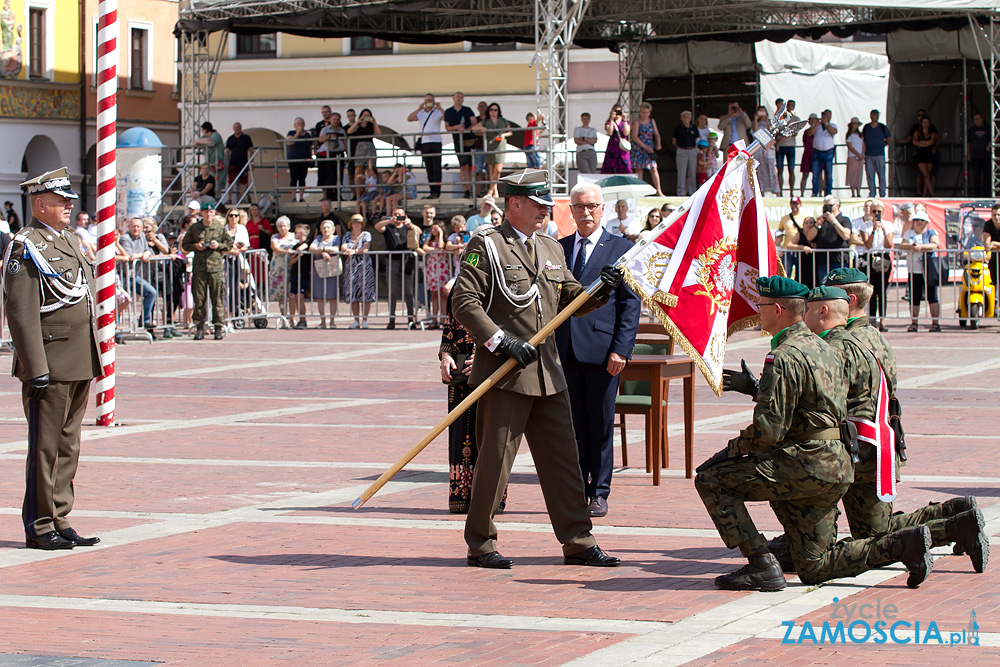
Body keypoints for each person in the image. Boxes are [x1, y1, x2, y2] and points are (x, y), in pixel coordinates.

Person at [704, 277, 934, 591]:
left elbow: (769, 431)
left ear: (779, 309)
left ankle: (760, 564)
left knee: (712, 480)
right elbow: (812, 404)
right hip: (837, 464)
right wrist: (759, 392)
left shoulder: (785, 354)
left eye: (761, 306)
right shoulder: (823, 346)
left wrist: (729, 452)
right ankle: (901, 545)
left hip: (807, 464)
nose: (758, 311)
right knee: (813, 565)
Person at [452, 168, 624, 569]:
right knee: (495, 463)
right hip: (506, 373)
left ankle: (579, 540)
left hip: (548, 372)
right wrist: (500, 341)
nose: (546, 211)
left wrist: (602, 289)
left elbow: (571, 299)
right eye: (538, 205)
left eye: (548, 205)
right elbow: (465, 301)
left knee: (564, 462)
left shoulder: (551, 248)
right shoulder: (487, 245)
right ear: (514, 204)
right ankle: (481, 543)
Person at [823, 268, 987, 572]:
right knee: (877, 527)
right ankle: (956, 514)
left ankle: (952, 528)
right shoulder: (874, 335)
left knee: (875, 536)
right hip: (881, 440)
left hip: (859, 445)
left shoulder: (845, 342)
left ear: (849, 299)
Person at [2, 167, 102, 550]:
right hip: (50, 361)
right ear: (39, 204)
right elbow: (21, 311)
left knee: (68, 445)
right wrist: (35, 367)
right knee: (45, 447)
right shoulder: (25, 245)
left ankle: (60, 517)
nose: (68, 206)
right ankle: (39, 525)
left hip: (78, 358)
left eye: (69, 201)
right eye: (61, 202)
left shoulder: (70, 240)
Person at [556, 182, 640, 518]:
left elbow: (629, 305)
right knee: (573, 424)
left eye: (591, 206)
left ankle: (599, 491)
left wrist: (621, 349)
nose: (586, 212)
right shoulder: (558, 248)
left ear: (602, 209)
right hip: (565, 351)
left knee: (601, 423)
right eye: (579, 207)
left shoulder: (620, 248)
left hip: (604, 351)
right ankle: (578, 487)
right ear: (571, 211)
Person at [438, 280, 505, 513]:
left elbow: (506, 325)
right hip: (460, 370)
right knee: (459, 432)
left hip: (490, 368)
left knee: (489, 434)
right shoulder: (458, 288)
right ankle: (461, 495)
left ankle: (490, 498)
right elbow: (449, 325)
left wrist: (485, 357)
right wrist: (445, 356)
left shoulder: (498, 285)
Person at [182, 208, 233, 340]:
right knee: (199, 298)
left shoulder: (219, 228)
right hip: (200, 268)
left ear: (214, 213)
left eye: (211, 212)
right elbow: (185, 245)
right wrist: (196, 246)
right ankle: (199, 327)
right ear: (202, 214)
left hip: (215, 268)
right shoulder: (195, 228)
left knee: (217, 298)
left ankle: (218, 327)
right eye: (206, 212)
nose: (208, 214)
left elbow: (229, 244)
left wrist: (218, 246)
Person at [851, 201, 893, 331]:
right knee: (872, 291)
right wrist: (874, 230)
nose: (877, 214)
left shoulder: (888, 225)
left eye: (879, 212)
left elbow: (888, 244)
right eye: (874, 211)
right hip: (870, 257)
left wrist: (884, 231)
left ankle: (883, 320)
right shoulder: (865, 226)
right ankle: (873, 319)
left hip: (883, 258)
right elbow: (867, 245)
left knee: (882, 291)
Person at [375, 208, 419, 329]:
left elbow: (418, 232)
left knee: (409, 292)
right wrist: (389, 220)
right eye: (396, 214)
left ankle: (411, 319)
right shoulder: (388, 227)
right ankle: (392, 319)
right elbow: (377, 227)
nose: (398, 217)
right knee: (392, 292)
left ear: (405, 216)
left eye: (400, 215)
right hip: (392, 261)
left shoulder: (408, 227)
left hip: (406, 261)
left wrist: (410, 224)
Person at [898, 210, 941, 332]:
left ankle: (935, 323)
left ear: (926, 222)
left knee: (932, 296)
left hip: (928, 269)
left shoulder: (931, 232)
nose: (918, 222)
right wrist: (912, 247)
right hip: (914, 270)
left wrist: (921, 247)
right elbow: (902, 245)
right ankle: (914, 322)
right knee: (914, 297)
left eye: (921, 220)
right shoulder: (909, 233)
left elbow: (935, 244)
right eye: (916, 220)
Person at [119, 216, 158, 335]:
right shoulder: (125, 238)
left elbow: (148, 252)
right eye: (133, 226)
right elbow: (130, 256)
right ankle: (116, 330)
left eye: (138, 226)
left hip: (134, 276)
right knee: (120, 301)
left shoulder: (142, 237)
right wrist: (142, 254)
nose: (136, 229)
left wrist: (145, 253)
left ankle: (145, 320)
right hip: (122, 276)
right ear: (129, 227)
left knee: (151, 292)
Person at [803, 195, 851, 285]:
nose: (826, 208)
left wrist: (834, 221)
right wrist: (817, 224)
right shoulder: (822, 221)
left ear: (837, 206)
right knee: (824, 285)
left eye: (829, 206)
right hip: (822, 260)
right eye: (825, 206)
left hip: (839, 260)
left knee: (840, 285)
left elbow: (846, 235)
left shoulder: (844, 219)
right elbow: (809, 237)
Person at [341, 213, 375, 329]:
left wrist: (354, 251)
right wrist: (348, 250)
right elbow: (343, 246)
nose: (357, 224)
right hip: (351, 267)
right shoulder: (347, 235)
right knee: (353, 294)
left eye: (359, 222)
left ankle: (365, 319)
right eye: (355, 222)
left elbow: (366, 247)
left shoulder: (366, 234)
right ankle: (356, 320)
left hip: (364, 266)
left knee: (366, 294)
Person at [408, 94, 445, 199]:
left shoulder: (437, 112)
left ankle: (437, 192)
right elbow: (409, 118)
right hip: (424, 143)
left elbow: (447, 118)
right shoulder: (421, 113)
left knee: (437, 169)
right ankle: (431, 191)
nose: (429, 102)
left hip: (436, 142)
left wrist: (440, 108)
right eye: (427, 100)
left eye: (431, 100)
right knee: (429, 169)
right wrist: (418, 109)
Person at [474, 103, 513, 198]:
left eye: (495, 110)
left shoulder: (503, 121)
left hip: (500, 145)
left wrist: (504, 135)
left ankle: (490, 190)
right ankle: (495, 191)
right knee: (491, 170)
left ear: (498, 111)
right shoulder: (486, 121)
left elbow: (510, 132)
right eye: (491, 110)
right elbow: (474, 128)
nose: (493, 112)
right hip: (490, 144)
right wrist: (482, 128)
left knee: (498, 170)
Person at [444, 92, 477, 198]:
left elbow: (474, 122)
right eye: (457, 97)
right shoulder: (448, 111)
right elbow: (447, 127)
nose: (459, 99)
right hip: (458, 141)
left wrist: (466, 130)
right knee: (463, 165)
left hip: (470, 140)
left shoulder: (467, 110)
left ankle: (471, 188)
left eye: (461, 97)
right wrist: (457, 127)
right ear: (453, 98)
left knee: (470, 166)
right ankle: (466, 189)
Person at [310, 219, 341, 328]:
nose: (326, 230)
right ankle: (322, 321)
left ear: (333, 229)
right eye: (324, 228)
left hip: (332, 269)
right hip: (319, 269)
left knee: (332, 296)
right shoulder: (318, 238)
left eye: (328, 227)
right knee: (320, 297)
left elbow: (336, 249)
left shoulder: (336, 238)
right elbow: (312, 248)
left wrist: (322, 248)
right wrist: (323, 253)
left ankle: (332, 321)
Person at [626, 102, 662, 196]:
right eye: (643, 112)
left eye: (646, 112)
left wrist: (658, 143)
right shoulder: (637, 122)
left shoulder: (652, 121)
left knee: (653, 168)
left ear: (649, 113)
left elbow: (657, 134)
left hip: (650, 147)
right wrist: (645, 147)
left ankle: (659, 190)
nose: (644, 114)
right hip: (639, 148)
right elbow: (634, 137)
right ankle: (640, 192)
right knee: (639, 169)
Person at [422, 222, 451, 328]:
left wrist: (441, 234)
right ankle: (434, 319)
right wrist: (436, 250)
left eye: (436, 229)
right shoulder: (429, 240)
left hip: (442, 269)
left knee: (443, 294)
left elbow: (441, 246)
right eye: (433, 229)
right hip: (432, 269)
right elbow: (425, 248)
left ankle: (443, 319)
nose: (433, 231)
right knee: (434, 294)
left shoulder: (444, 239)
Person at [347, 108, 380, 201]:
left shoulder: (371, 125)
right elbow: (349, 131)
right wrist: (358, 122)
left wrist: (374, 123)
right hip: (360, 147)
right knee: (359, 170)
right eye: (364, 115)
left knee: (371, 170)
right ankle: (358, 194)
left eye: (368, 115)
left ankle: (371, 191)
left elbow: (378, 134)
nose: (366, 117)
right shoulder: (358, 124)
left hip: (370, 146)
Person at [862, 109, 892, 198]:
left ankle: (882, 193)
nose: (876, 116)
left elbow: (889, 138)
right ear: (871, 116)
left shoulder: (882, 127)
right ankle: (872, 192)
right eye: (874, 115)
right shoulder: (866, 127)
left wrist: (883, 145)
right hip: (869, 154)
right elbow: (863, 139)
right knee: (870, 175)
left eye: (877, 115)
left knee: (881, 175)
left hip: (879, 154)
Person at [752, 106, 780, 196]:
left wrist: (767, 119)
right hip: (759, 149)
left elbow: (772, 131)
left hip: (768, 149)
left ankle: (776, 191)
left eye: (763, 111)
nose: (762, 113)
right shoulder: (755, 123)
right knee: (760, 170)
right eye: (760, 111)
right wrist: (756, 119)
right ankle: (761, 191)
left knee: (771, 170)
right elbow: (754, 131)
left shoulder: (771, 123)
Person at [809, 109, 837, 197]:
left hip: (828, 151)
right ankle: (815, 192)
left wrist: (826, 124)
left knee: (828, 174)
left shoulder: (832, 125)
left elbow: (833, 132)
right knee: (815, 174)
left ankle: (828, 192)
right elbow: (809, 133)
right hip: (817, 151)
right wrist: (817, 124)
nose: (827, 117)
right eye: (825, 116)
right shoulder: (817, 125)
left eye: (828, 116)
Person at [194, 121, 227, 195]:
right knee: (210, 181)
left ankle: (217, 199)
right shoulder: (204, 137)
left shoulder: (216, 135)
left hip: (219, 162)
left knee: (217, 183)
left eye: (202, 130)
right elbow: (195, 143)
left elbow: (211, 142)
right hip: (209, 164)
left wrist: (200, 141)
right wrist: (201, 141)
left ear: (205, 129)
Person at [225, 122, 253, 203]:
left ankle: (243, 199)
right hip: (233, 164)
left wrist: (251, 162)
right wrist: (227, 162)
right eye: (235, 127)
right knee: (230, 182)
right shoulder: (230, 138)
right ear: (233, 128)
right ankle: (229, 199)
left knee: (243, 183)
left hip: (243, 164)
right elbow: (227, 151)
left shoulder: (246, 138)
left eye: (238, 127)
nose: (237, 129)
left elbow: (251, 150)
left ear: (241, 128)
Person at [285, 117, 312, 203]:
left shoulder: (307, 135)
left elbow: (310, 146)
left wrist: (311, 156)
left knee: (302, 178)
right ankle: (293, 197)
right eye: (298, 124)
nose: (300, 125)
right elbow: (289, 142)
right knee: (294, 178)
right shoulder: (291, 133)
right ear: (295, 125)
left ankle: (301, 197)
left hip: (304, 159)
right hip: (293, 159)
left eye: (301, 124)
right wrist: (297, 133)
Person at [775, 100, 799, 196]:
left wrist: (779, 142)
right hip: (780, 147)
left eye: (792, 106)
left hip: (789, 146)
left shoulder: (796, 119)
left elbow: (794, 133)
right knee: (780, 170)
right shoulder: (781, 117)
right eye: (789, 105)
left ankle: (791, 191)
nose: (790, 107)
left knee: (791, 169)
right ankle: (779, 191)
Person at [912, 116, 939, 197]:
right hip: (921, 155)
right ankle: (932, 194)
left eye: (927, 122)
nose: (925, 124)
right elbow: (915, 142)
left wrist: (921, 143)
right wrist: (925, 143)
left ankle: (925, 193)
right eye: (924, 122)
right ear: (921, 123)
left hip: (929, 154)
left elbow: (931, 142)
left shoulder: (932, 133)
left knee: (928, 175)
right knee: (925, 175)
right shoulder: (917, 132)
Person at [601, 104, 631, 175]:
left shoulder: (625, 122)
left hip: (622, 147)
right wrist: (612, 119)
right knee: (610, 166)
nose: (617, 113)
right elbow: (610, 132)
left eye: (619, 111)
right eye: (615, 111)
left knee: (624, 166)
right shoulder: (609, 122)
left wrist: (625, 119)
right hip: (613, 147)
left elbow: (626, 133)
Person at [968, 112, 990, 198]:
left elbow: (997, 136)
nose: (976, 121)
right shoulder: (972, 130)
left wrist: (991, 144)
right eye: (975, 119)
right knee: (976, 176)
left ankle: (986, 195)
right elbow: (968, 142)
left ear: (982, 119)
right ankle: (977, 195)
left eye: (978, 119)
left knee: (986, 176)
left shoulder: (988, 128)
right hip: (975, 156)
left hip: (986, 156)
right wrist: (968, 153)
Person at [799, 113, 818, 197]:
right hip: (807, 153)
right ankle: (802, 193)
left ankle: (817, 193)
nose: (813, 121)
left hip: (817, 153)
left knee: (818, 175)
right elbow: (805, 141)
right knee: (805, 174)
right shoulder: (806, 131)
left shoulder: (819, 131)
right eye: (811, 119)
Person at [845, 117, 864, 198]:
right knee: (852, 173)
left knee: (859, 173)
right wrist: (857, 154)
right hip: (852, 156)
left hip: (859, 156)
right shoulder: (849, 135)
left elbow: (863, 145)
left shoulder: (860, 135)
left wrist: (862, 154)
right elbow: (850, 146)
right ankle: (853, 192)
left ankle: (858, 191)